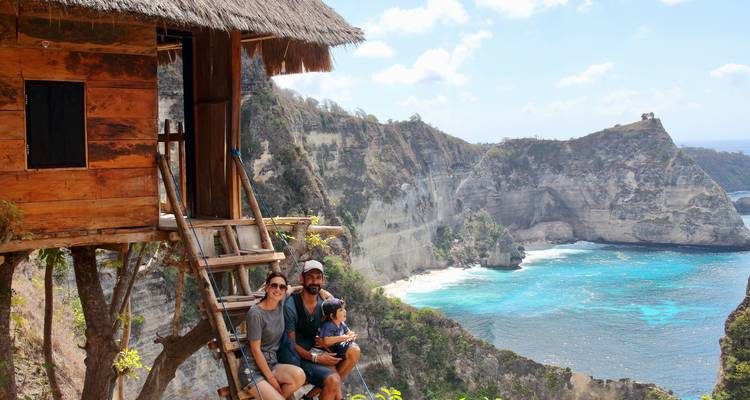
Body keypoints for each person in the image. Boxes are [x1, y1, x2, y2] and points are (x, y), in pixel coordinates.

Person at [285, 260, 361, 400]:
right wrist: (316, 358)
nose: (315, 281)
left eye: (318, 278)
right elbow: (291, 344)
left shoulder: (325, 303)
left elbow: (338, 326)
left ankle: (309, 397)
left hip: (323, 351)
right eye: (310, 277)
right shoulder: (291, 306)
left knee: (354, 350)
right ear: (302, 278)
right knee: (333, 381)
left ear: (323, 280)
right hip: (301, 357)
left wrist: (347, 336)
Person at [241, 271, 306, 400]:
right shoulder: (255, 314)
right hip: (253, 369)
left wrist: (322, 292)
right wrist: (271, 379)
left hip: (272, 363)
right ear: (267, 287)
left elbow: (292, 288)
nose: (278, 289)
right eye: (274, 285)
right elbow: (255, 350)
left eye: (282, 287)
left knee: (300, 375)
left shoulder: (280, 303)